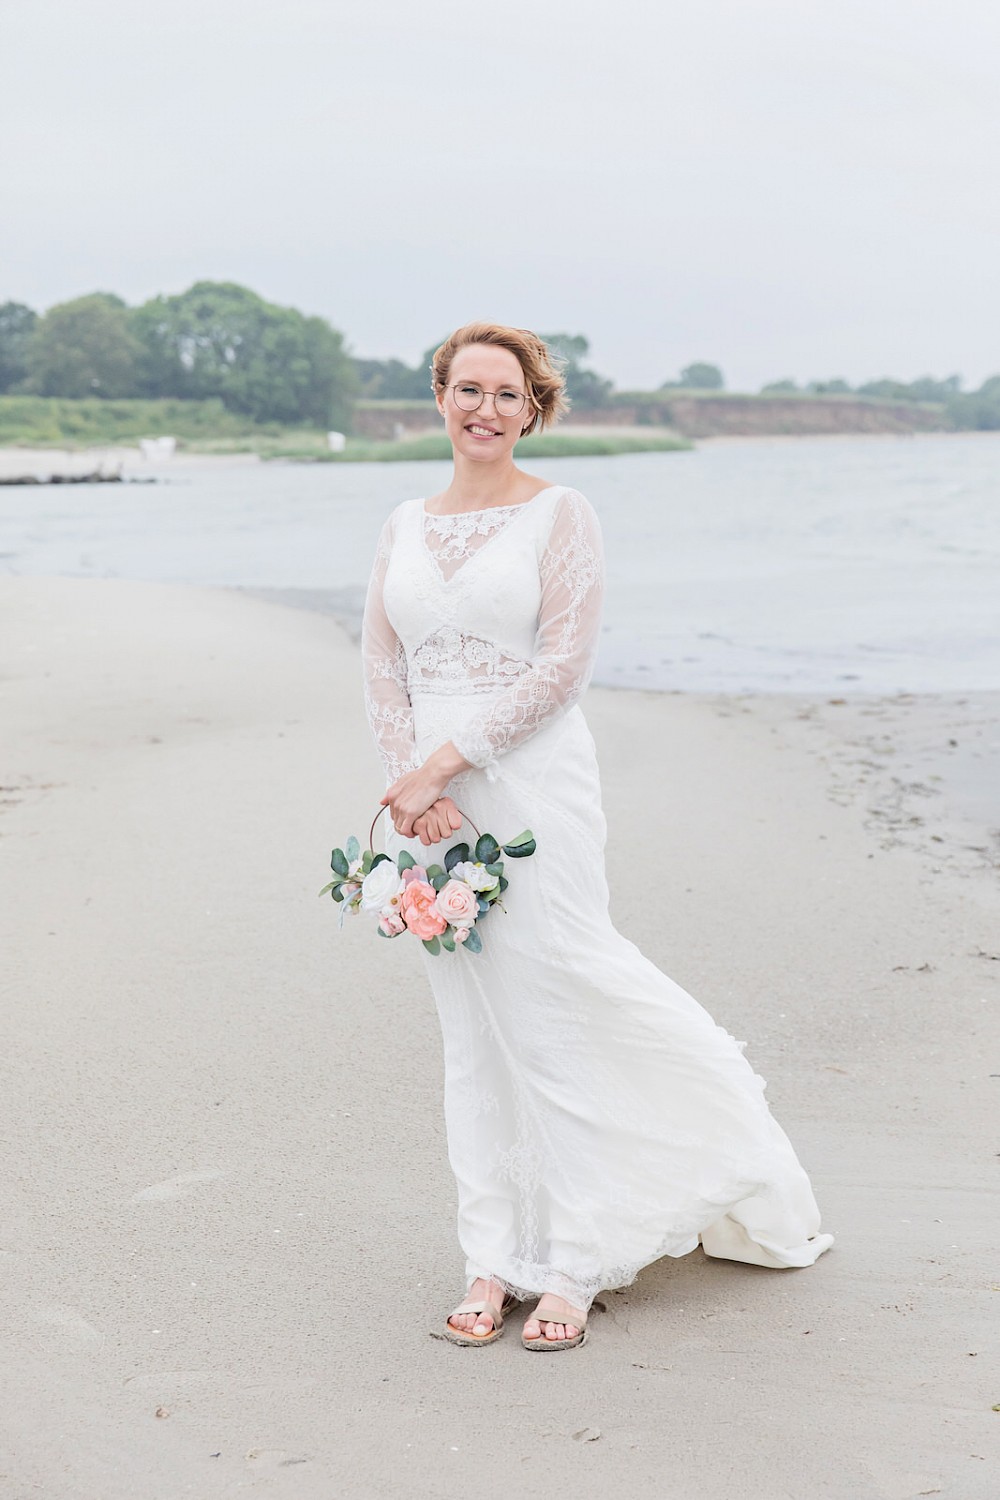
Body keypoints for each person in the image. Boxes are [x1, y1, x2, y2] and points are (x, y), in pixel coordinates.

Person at [360, 321, 833, 1352]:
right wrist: (409, 789)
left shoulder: (560, 514)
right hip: (427, 814)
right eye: (467, 388)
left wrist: (446, 764)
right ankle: (490, 1254)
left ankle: (575, 1257)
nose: (484, 408)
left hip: (529, 788)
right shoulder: (401, 520)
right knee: (472, 1031)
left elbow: (562, 668)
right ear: (438, 396)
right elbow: (380, 666)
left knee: (554, 1003)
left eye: (507, 395)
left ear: (534, 411)